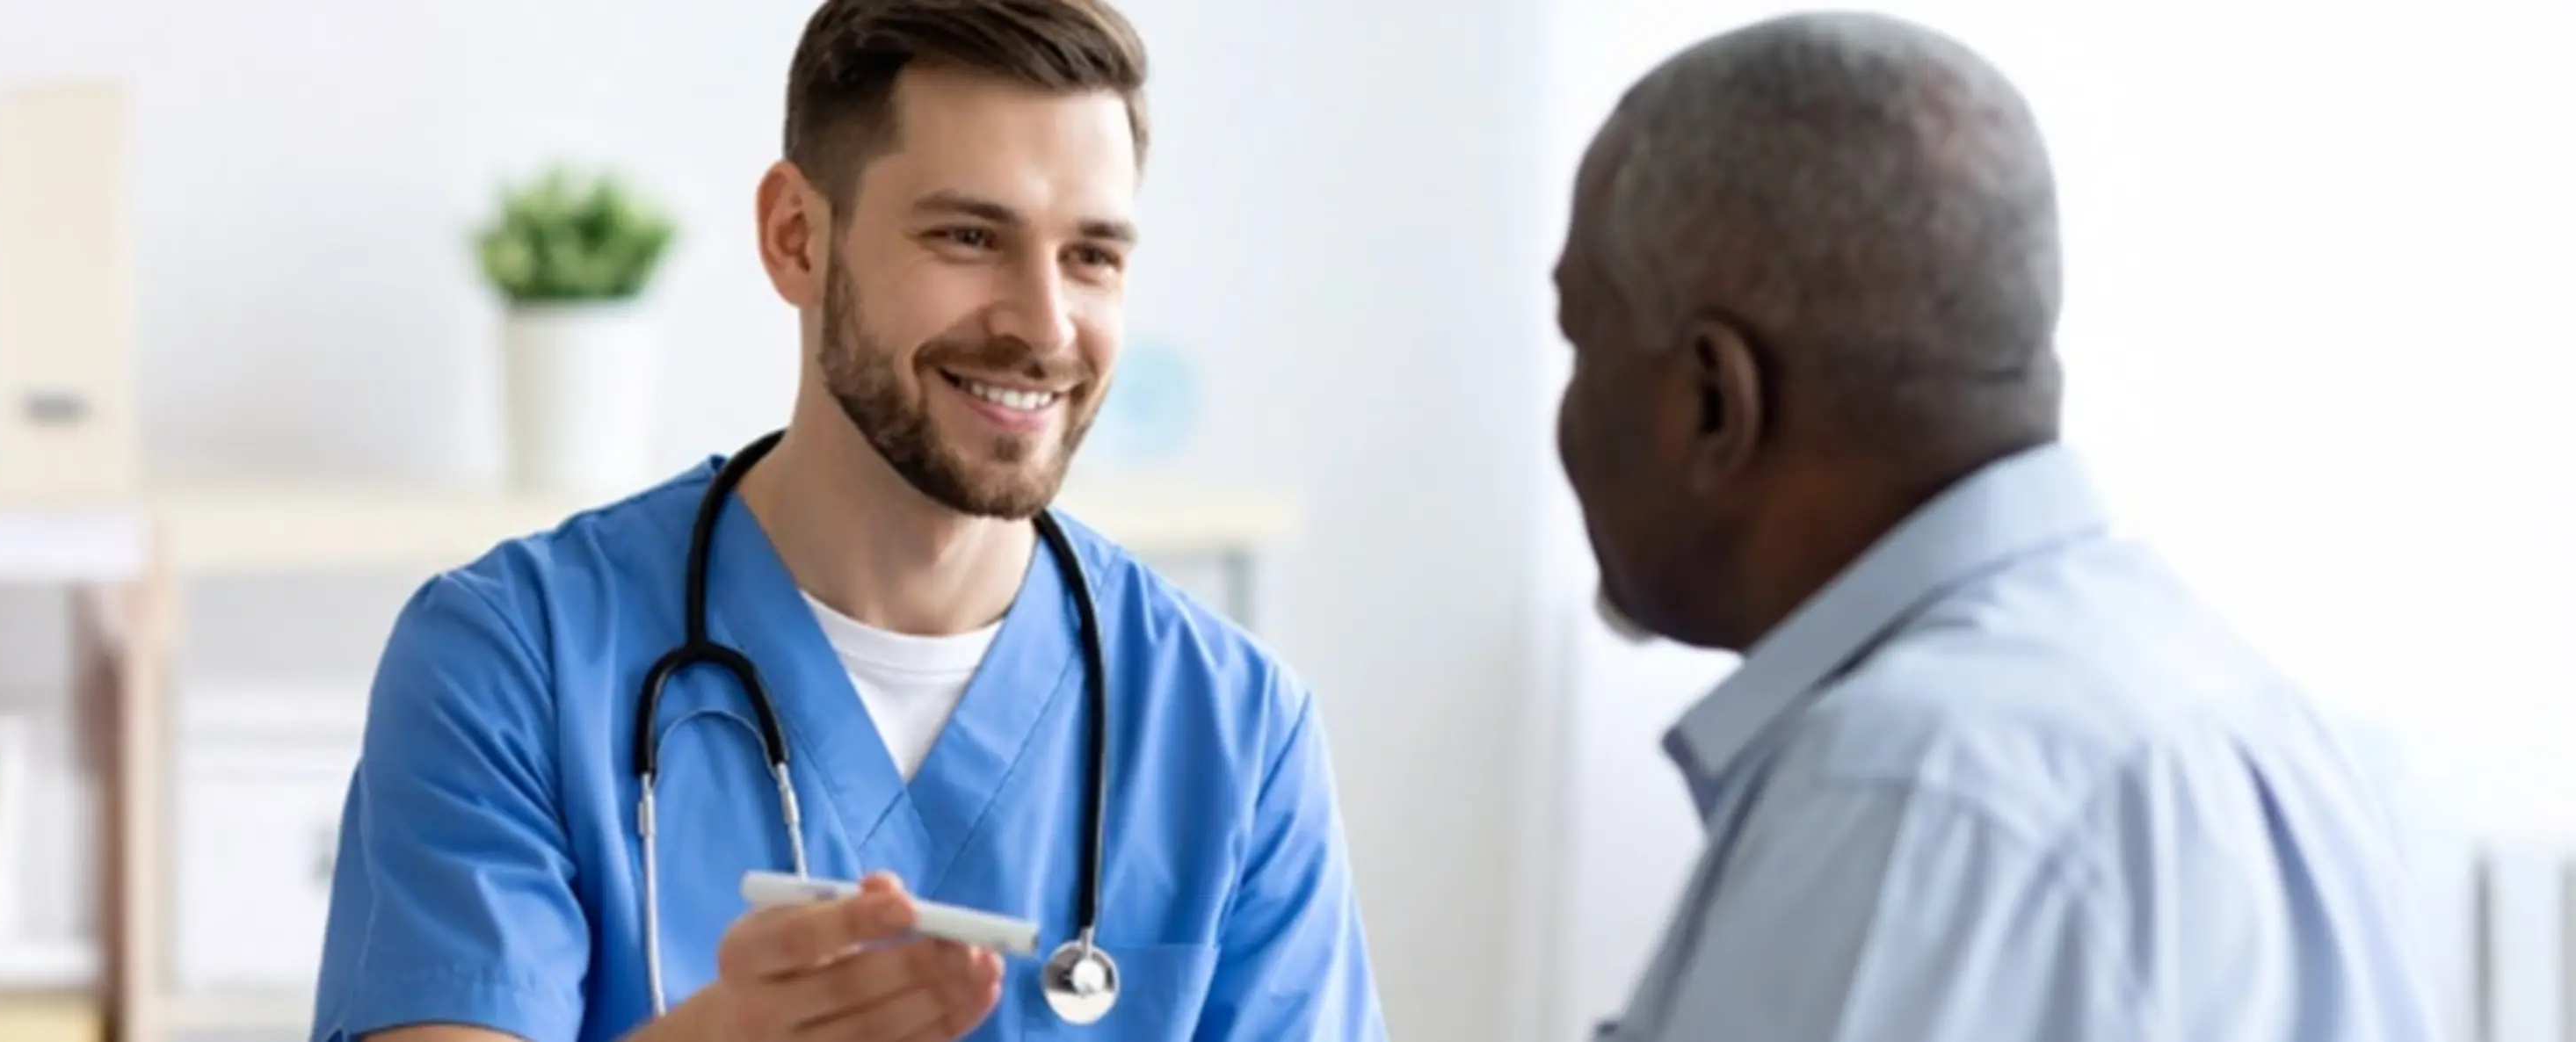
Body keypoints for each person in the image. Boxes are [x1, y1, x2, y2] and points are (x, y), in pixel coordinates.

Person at [308, 2, 1386, 1039]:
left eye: (1092, 255)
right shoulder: (512, 662)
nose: (1045, 324)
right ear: (795, 237)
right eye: (970, 235)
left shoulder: (1235, 736)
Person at [1551, 11, 2438, 1042]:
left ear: (1713, 401)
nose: (1565, 414)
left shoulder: (1907, 787)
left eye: (1581, 339)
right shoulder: (2248, 718)